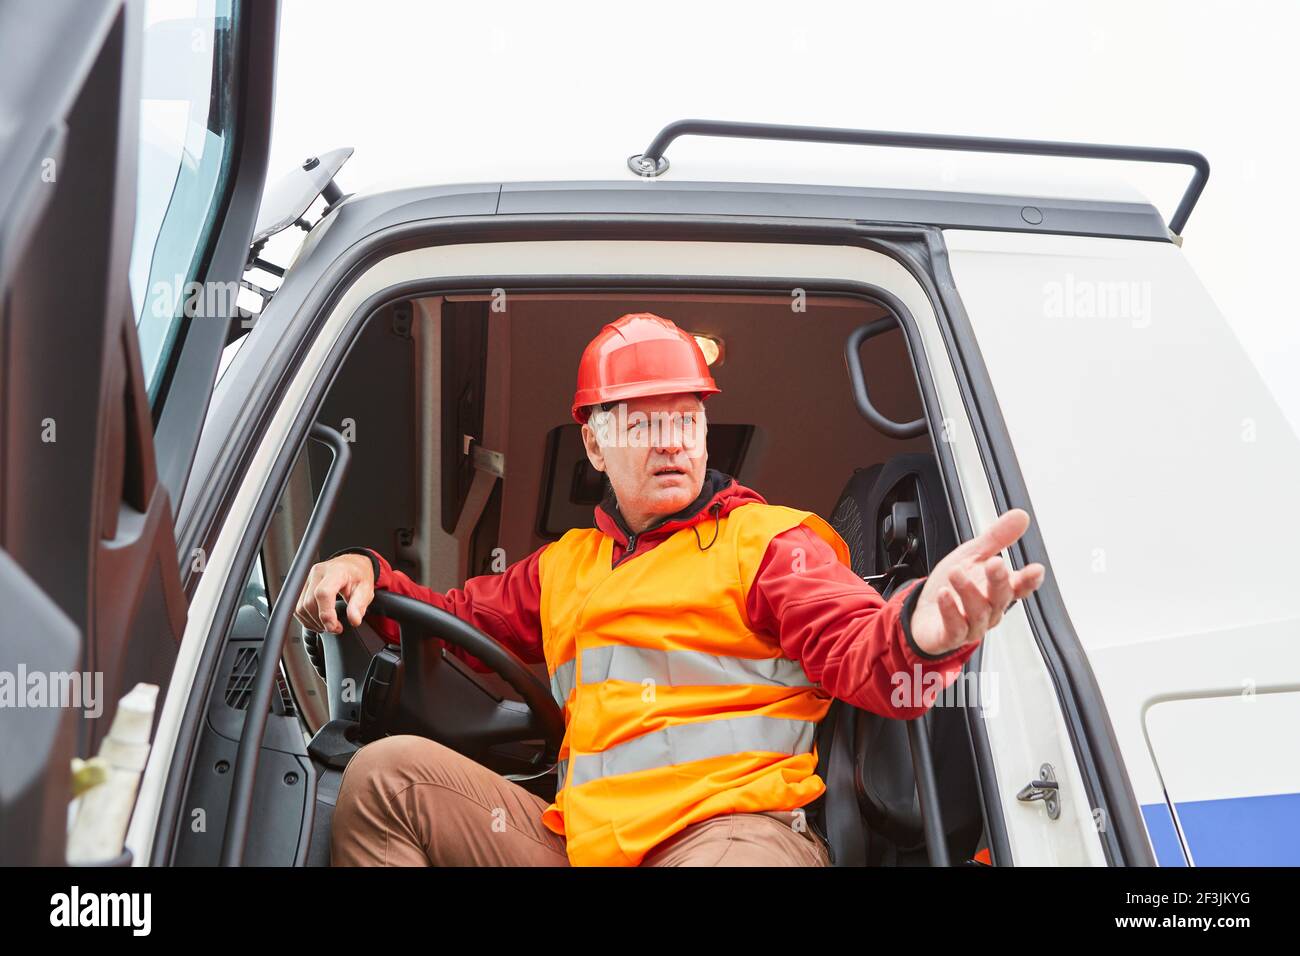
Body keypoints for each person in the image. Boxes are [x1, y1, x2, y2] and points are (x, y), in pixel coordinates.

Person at [295, 312, 1044, 866]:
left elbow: (862, 650)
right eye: (645, 423)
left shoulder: (771, 543)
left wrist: (923, 629)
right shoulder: (565, 567)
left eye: (687, 418)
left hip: (731, 837)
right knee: (383, 779)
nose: (674, 441)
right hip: (585, 844)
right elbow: (448, 619)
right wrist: (363, 568)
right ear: (594, 443)